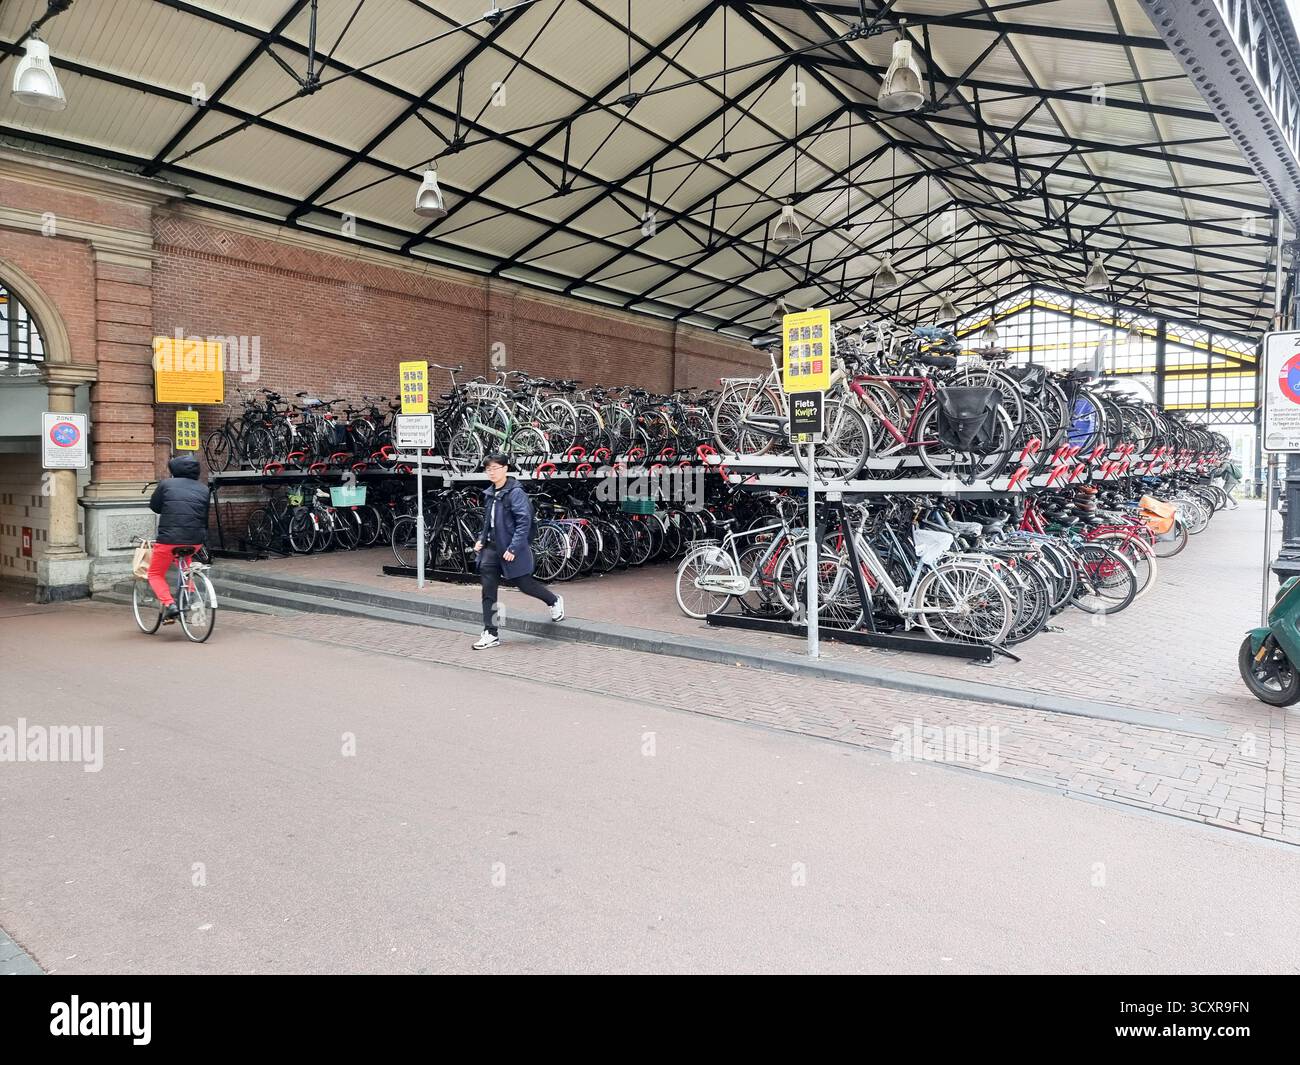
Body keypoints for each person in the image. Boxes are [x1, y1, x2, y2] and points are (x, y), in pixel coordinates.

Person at [472, 454, 563, 649]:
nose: (492, 472)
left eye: (495, 468)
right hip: (491, 550)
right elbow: (488, 520)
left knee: (525, 585)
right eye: (488, 469)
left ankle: (553, 600)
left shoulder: (515, 493)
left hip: (511, 549)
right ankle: (491, 632)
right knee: (489, 592)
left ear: (506, 469)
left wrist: (513, 547)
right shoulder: (490, 493)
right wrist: (481, 539)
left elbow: (524, 522)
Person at [147, 454, 211, 622]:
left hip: (169, 540)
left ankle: (170, 605)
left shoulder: (166, 484)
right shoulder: (204, 488)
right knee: (185, 566)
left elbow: (155, 506)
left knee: (154, 574)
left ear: (174, 469)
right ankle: (187, 595)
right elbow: (204, 515)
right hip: (195, 540)